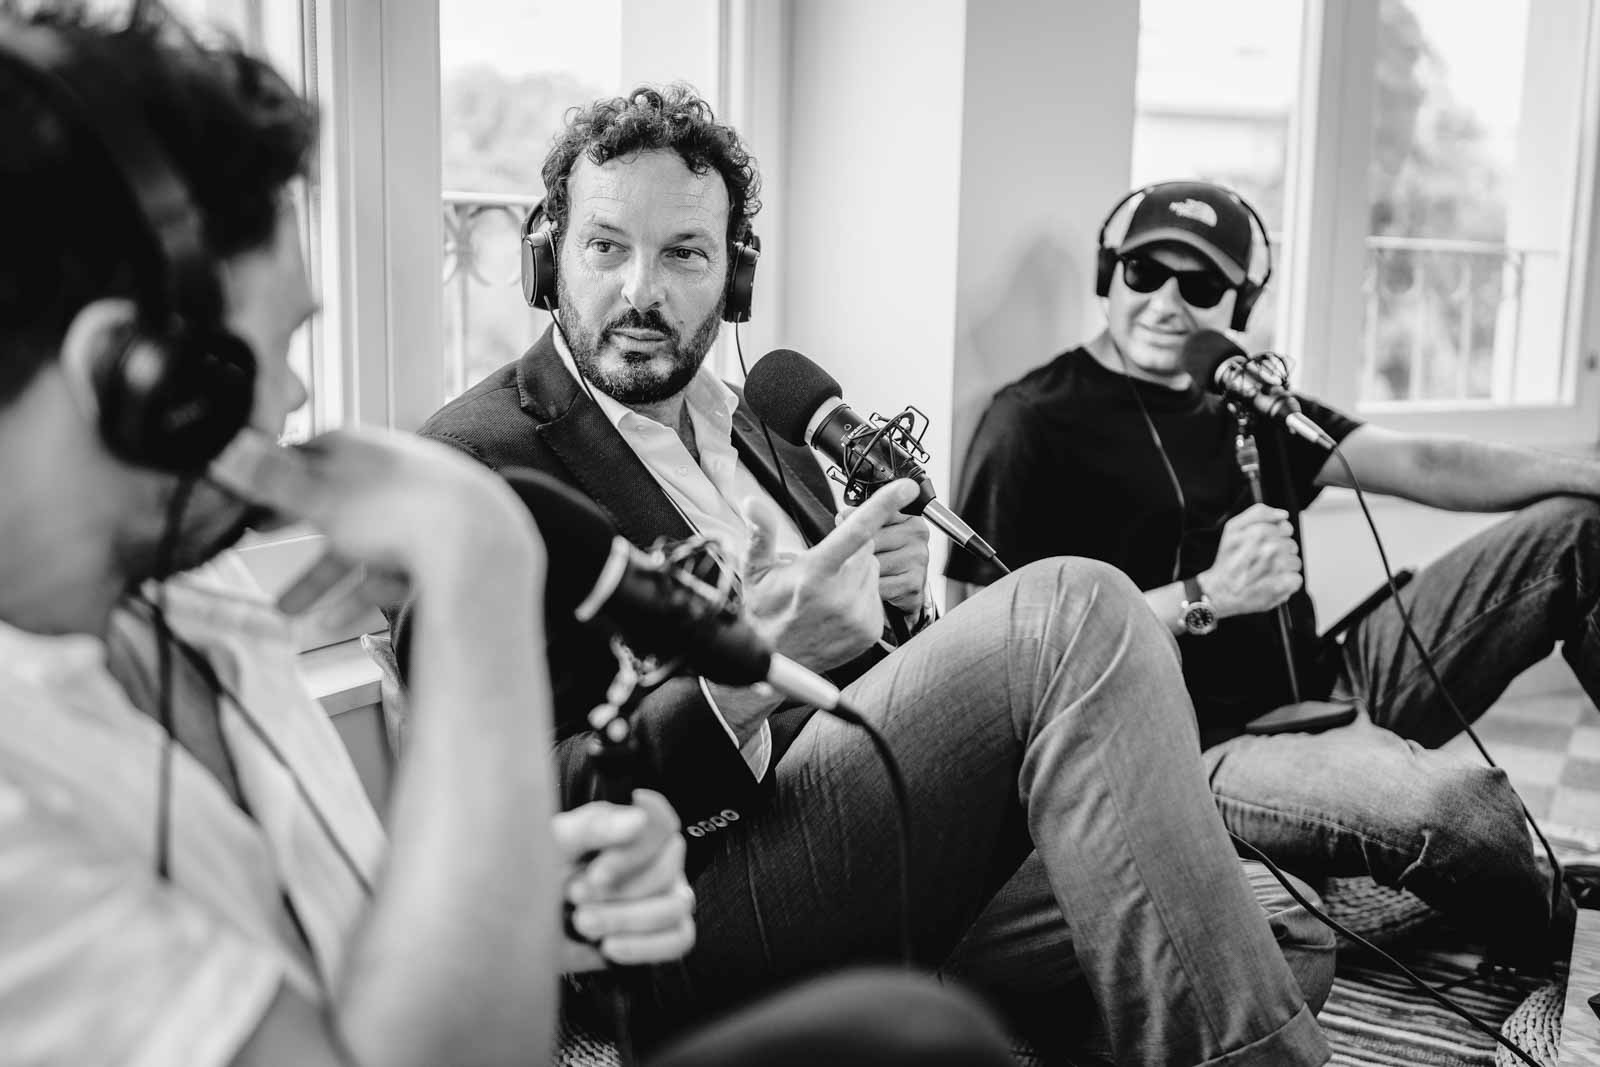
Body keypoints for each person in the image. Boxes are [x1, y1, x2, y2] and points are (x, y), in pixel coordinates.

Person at [0, 6, 1021, 1066]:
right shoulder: (18, 804)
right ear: (140, 379)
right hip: (705, 922)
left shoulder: (207, 613)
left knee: (935, 1030)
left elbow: (362, 936)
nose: (298, 395)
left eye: (684, 252)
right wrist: (477, 558)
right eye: (275, 347)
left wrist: (537, 901)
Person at [409, 85, 1338, 1066]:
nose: (641, 290)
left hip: (878, 845)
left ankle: (935, 1011)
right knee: (1073, 606)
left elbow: (878, 680)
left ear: (734, 277)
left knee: (1285, 929)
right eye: (606, 246)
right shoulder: (476, 465)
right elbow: (497, 816)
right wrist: (745, 672)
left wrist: (901, 607)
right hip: (693, 895)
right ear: (549, 253)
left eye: (684, 253)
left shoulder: (767, 428)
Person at [951, 178, 1600, 969]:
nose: (1165, 303)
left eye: (1201, 285)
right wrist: (1206, 595)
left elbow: (1426, 461)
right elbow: (991, 656)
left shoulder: (1245, 395)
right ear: (1108, 274)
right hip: (1203, 749)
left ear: (1241, 302)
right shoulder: (1028, 422)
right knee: (1472, 815)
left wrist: (1589, 473)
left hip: (1324, 684)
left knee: (1581, 531)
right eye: (1144, 272)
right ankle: (1570, 943)